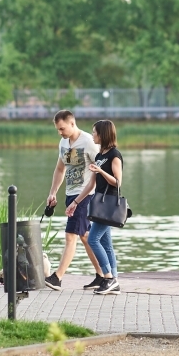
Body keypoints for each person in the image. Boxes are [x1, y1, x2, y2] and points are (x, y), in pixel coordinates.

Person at [44, 110, 102, 291]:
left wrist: (87, 197)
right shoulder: (63, 143)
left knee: (71, 236)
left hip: (85, 196)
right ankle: (102, 275)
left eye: (62, 128)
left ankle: (57, 277)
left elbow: (99, 170)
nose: (60, 132)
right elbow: (60, 169)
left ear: (72, 123)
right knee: (86, 237)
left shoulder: (89, 142)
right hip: (70, 195)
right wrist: (53, 192)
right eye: (57, 130)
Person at [73, 119, 122, 295]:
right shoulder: (100, 156)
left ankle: (108, 278)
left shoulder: (114, 155)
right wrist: (75, 202)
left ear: (103, 134)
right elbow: (90, 185)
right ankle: (114, 281)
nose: (92, 135)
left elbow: (117, 182)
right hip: (98, 202)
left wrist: (101, 171)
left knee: (93, 239)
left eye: (94, 132)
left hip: (108, 204)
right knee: (106, 243)